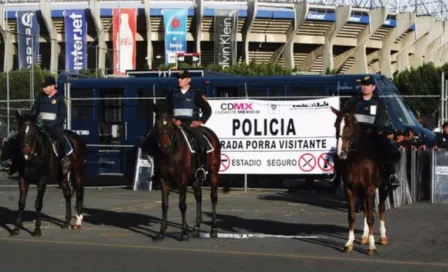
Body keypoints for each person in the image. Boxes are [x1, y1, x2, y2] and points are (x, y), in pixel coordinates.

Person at [339, 75, 401, 189]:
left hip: (373, 134)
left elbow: (381, 119)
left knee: (388, 148)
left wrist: (375, 130)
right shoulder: (353, 101)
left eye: (367, 85)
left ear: (373, 87)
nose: (364, 87)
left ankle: (391, 175)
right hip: (355, 135)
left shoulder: (379, 102)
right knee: (341, 149)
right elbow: (346, 116)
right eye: (363, 85)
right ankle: (338, 176)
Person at [164, 70, 212, 181]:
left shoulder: (196, 93)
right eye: (178, 78)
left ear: (188, 80)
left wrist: (200, 121)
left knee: (201, 142)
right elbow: (166, 109)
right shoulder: (172, 92)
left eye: (182, 78)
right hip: (175, 124)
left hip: (190, 124)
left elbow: (207, 110)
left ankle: (202, 168)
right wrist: (173, 119)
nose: (179, 80)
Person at [30, 75, 71, 170]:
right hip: (40, 125)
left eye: (46, 86)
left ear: (53, 86)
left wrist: (51, 125)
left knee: (60, 140)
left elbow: (62, 116)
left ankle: (64, 159)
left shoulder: (59, 98)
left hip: (54, 127)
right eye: (43, 87)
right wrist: (30, 117)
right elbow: (34, 110)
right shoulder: (40, 97)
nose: (44, 89)